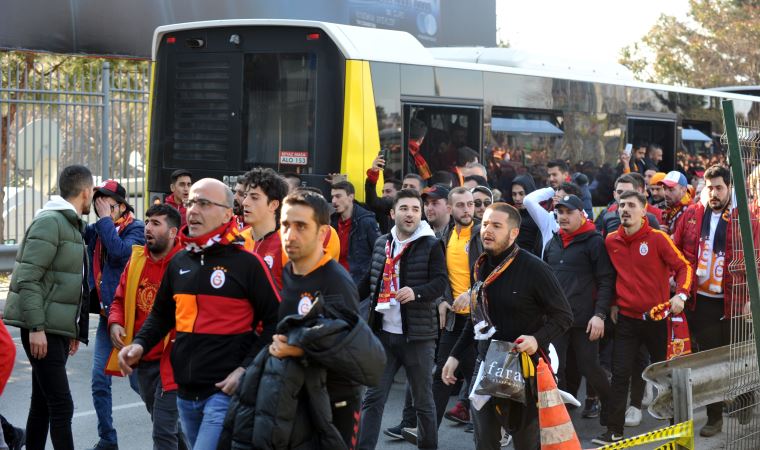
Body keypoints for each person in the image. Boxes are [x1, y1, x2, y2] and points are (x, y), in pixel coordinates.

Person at [117, 178, 281, 450]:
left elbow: (276, 321)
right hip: (185, 393)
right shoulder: (180, 261)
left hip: (225, 392)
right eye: (191, 202)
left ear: (228, 213)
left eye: (204, 203)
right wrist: (139, 344)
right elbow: (161, 315)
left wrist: (245, 369)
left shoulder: (247, 263)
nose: (193, 210)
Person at [442, 203, 573, 450]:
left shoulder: (535, 268)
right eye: (486, 224)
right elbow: (478, 320)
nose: (487, 230)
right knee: (485, 441)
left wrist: (537, 339)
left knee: (526, 442)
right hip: (486, 365)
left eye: (497, 226)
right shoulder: (480, 266)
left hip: (524, 368)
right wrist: (455, 356)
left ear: (513, 233)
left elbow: (564, 316)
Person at [274, 189, 381, 447]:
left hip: (336, 403)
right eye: (285, 225)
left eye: (301, 226)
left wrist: (297, 351)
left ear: (322, 233)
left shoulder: (336, 281)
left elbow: (351, 353)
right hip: (296, 396)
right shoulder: (289, 271)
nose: (290, 235)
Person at [3, 165, 94, 450]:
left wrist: (73, 330)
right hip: (42, 330)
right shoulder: (51, 222)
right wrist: (37, 328)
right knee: (61, 406)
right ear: (86, 192)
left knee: (42, 405)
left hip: (55, 329)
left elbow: (69, 283)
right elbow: (28, 279)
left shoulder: (69, 224)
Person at [594, 190, 692, 444]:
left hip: (658, 320)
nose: (625, 209)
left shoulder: (658, 239)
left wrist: (680, 296)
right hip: (626, 320)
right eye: (621, 205)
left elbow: (684, 267)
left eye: (631, 205)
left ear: (644, 209)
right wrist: (614, 303)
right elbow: (610, 277)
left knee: (667, 376)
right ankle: (613, 431)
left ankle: (677, 430)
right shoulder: (611, 241)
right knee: (620, 374)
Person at [357, 189, 447, 450]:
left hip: (418, 337)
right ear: (392, 213)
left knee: (423, 402)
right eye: (404, 208)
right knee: (373, 399)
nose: (410, 214)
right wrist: (343, 297)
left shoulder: (430, 244)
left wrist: (417, 292)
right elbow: (369, 281)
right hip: (383, 335)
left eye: (415, 209)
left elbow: (440, 283)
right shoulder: (381, 243)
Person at [107, 204, 187, 450]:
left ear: (173, 232)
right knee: (168, 426)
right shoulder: (137, 259)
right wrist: (115, 322)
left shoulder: (186, 263)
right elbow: (119, 299)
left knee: (163, 433)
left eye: (156, 223)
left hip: (172, 362)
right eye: (147, 221)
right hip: (141, 361)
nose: (147, 228)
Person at [672, 165, 732, 436]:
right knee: (707, 361)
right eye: (709, 188)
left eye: (719, 187)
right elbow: (675, 250)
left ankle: (743, 397)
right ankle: (714, 416)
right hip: (698, 300)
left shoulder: (746, 217)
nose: (714, 193)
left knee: (731, 359)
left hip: (732, 301)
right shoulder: (693, 213)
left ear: (729, 188)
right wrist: (677, 284)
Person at [543, 194, 614, 423]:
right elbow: (543, 280)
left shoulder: (594, 241)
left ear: (581, 214)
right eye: (560, 212)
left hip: (585, 319)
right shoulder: (552, 242)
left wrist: (600, 315)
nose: (563, 217)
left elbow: (606, 280)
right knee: (555, 368)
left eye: (568, 212)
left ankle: (612, 410)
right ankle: (558, 421)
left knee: (589, 367)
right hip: (556, 319)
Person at [85, 179, 145, 450]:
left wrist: (105, 222)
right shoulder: (99, 228)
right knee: (99, 380)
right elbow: (75, 232)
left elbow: (121, 254)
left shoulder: (138, 229)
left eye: (106, 202)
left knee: (140, 384)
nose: (101, 208)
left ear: (121, 206)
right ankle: (108, 439)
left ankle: (177, 432)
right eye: (98, 202)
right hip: (107, 319)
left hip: (131, 319)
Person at [431, 188, 482, 429]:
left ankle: (495, 430)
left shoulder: (483, 233)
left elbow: (496, 273)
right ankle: (428, 434)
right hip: (454, 320)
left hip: (480, 319)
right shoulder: (444, 236)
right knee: (442, 375)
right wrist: (441, 300)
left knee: (481, 380)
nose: (467, 209)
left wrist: (472, 293)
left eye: (470, 204)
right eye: (461, 205)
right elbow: (440, 276)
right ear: (450, 209)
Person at [238, 168, 290, 290]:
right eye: (245, 196)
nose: (245, 202)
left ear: (273, 205)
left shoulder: (288, 244)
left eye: (254, 197)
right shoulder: (237, 239)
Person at [331, 180, 381, 285]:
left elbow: (380, 254)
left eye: (338, 196)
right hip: (335, 280)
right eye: (332, 197)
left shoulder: (366, 221)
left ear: (351, 197)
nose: (334, 201)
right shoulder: (332, 222)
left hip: (358, 282)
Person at [524, 181, 582, 257]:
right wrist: (551, 190)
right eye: (555, 196)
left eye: (562, 198)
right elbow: (528, 201)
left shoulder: (583, 221)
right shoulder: (548, 218)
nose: (556, 199)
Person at [595, 174, 662, 237]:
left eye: (628, 192)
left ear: (636, 193)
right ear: (614, 194)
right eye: (619, 192)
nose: (623, 195)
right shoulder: (607, 216)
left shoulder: (650, 219)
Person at [365, 153, 401, 233]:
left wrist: (373, 174)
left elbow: (373, 202)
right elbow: (369, 204)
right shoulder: (382, 211)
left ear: (399, 193)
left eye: (388, 191)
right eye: (383, 192)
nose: (384, 195)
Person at [509, 175, 542, 255]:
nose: (517, 198)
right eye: (514, 194)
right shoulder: (511, 214)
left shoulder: (541, 216)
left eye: (521, 193)